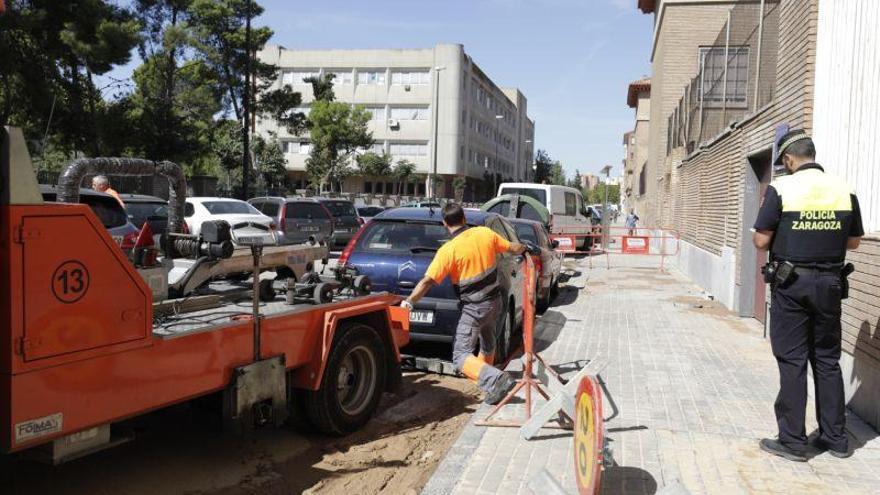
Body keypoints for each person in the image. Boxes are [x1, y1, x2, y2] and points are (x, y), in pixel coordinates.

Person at [753, 129, 864, 462]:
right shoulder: (844, 189)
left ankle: (793, 441)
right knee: (827, 360)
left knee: (793, 361)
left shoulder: (782, 188)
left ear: (789, 160)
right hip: (830, 284)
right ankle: (835, 438)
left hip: (792, 285)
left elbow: (760, 241)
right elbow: (855, 242)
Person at [402, 203, 531, 404]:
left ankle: (495, 379)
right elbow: (512, 248)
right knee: (488, 342)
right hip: (494, 302)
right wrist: (524, 247)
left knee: (460, 356)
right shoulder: (484, 233)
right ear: (464, 218)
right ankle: (490, 386)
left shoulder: (449, 250)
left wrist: (409, 301)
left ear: (445, 223)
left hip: (474, 308)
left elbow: (427, 281)